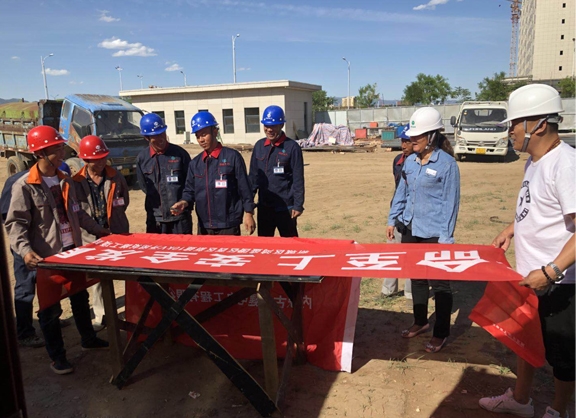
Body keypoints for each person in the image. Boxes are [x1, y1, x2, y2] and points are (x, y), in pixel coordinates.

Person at [478, 84, 574, 418]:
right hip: (530, 277)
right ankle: (520, 400)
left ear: (540, 124)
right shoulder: (534, 162)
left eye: (514, 124)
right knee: (526, 340)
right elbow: (537, 209)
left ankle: (560, 411)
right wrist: (512, 228)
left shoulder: (566, 165)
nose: (510, 132)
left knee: (563, 356)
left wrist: (552, 271)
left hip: (560, 283)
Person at [5, 126, 110, 375]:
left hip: (72, 252)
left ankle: (88, 339)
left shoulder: (65, 180)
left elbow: (78, 213)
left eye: (61, 147)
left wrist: (100, 231)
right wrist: (25, 251)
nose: (63, 152)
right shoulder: (24, 186)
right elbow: (16, 224)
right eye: (57, 149)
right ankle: (58, 357)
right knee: (50, 309)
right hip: (47, 258)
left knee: (80, 298)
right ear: (40, 153)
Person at [386, 107, 460, 353]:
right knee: (416, 278)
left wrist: (446, 238)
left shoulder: (447, 165)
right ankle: (420, 322)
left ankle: (441, 333)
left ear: (431, 136)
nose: (412, 139)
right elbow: (402, 193)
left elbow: (451, 203)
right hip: (410, 229)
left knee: (439, 284)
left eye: (417, 136)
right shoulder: (409, 162)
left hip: (434, 234)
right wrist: (392, 218)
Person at [73, 135, 130, 331]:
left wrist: (115, 222)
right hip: (90, 236)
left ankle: (132, 309)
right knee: (97, 278)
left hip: (116, 233)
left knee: (126, 272)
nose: (101, 162)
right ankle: (101, 315)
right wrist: (96, 228)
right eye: (96, 160)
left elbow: (124, 201)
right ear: (85, 160)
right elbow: (78, 211)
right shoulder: (76, 182)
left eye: (103, 158)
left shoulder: (116, 177)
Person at [170, 111, 255, 236]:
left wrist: (249, 213)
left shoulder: (232, 157)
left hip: (228, 224)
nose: (201, 140)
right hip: (204, 225)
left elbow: (244, 188)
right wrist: (183, 202)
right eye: (198, 136)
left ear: (215, 132)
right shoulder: (195, 163)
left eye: (204, 134)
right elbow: (189, 191)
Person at [249, 105, 304, 237]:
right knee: (265, 244)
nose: (269, 129)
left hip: (285, 208)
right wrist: (248, 205)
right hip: (264, 207)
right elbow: (253, 178)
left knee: (290, 243)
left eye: (273, 126)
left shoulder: (292, 147)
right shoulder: (259, 146)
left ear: (281, 125)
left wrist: (298, 205)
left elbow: (298, 179)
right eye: (266, 126)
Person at [136, 113, 192, 234]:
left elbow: (191, 184)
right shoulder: (142, 158)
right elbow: (144, 186)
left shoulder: (180, 154)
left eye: (162, 133)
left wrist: (184, 202)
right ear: (146, 138)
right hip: (155, 219)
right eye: (155, 136)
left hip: (180, 219)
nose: (161, 138)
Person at [382, 124, 414, 299]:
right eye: (402, 141)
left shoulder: (419, 163)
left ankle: (410, 293)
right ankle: (388, 290)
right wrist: (393, 217)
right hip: (397, 214)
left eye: (407, 141)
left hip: (414, 218)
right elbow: (398, 190)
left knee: (411, 256)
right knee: (391, 253)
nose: (403, 145)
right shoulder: (397, 161)